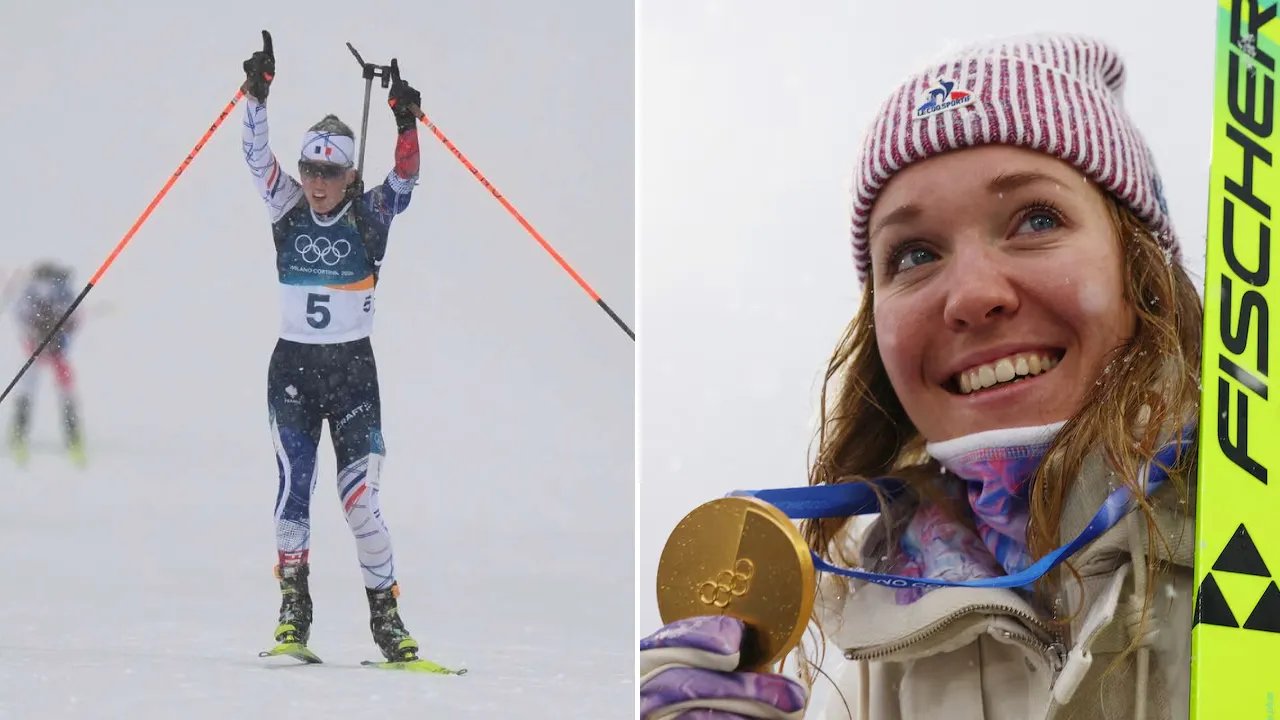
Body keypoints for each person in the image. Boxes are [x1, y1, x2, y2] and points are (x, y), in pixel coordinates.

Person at [639, 33, 1201, 720]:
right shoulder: (861, 654)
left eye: (1036, 218)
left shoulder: (1255, 534)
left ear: (1143, 269)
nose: (969, 295)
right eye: (913, 255)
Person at [239, 30, 426, 663]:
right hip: (292, 371)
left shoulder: (368, 215)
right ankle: (294, 613)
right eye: (310, 169)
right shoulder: (286, 206)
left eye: (329, 171)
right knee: (293, 493)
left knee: (361, 506)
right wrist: (256, 94)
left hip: (351, 376)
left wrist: (406, 120)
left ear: (350, 174)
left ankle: (388, 621)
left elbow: (406, 179)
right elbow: (254, 155)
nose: (316, 182)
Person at [6, 261, 86, 468]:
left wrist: (60, 340)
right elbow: (21, 316)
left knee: (63, 390)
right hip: (36, 347)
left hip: (55, 348)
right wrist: (34, 338)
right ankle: (19, 434)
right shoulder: (34, 290)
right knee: (28, 388)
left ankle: (72, 435)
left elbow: (75, 319)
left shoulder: (62, 291)